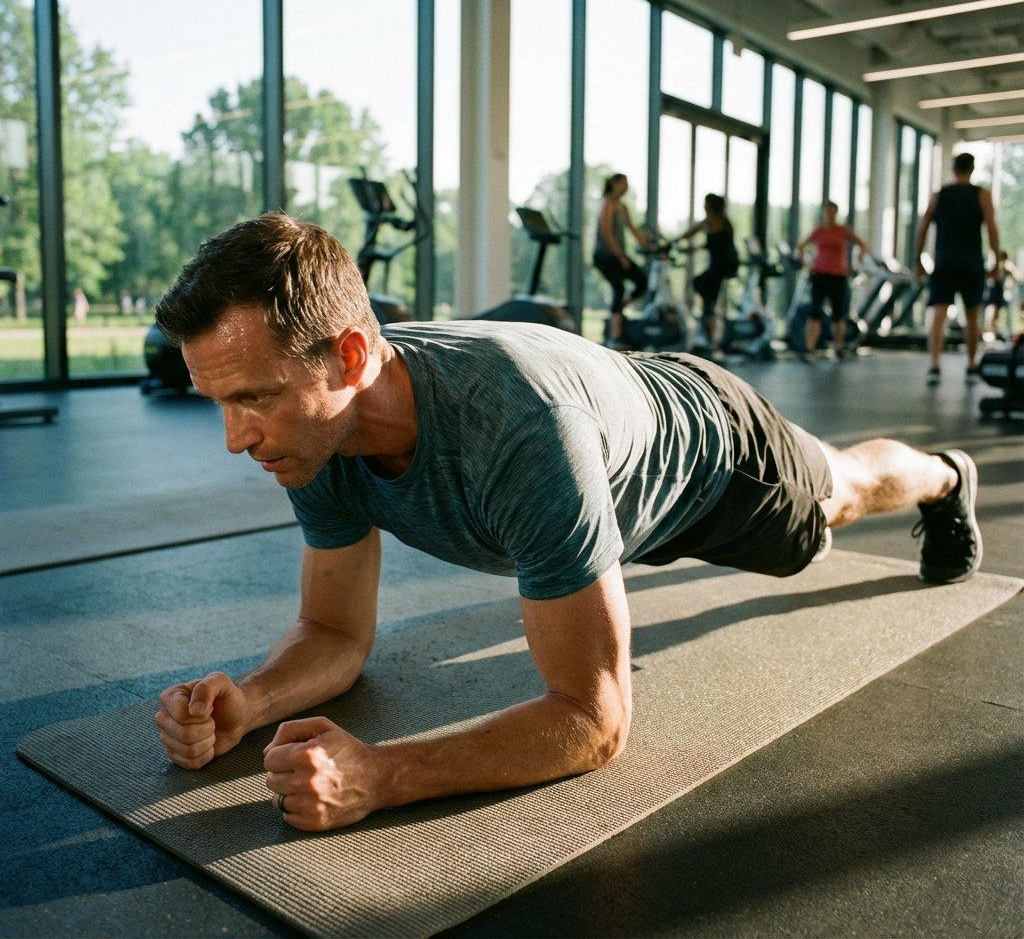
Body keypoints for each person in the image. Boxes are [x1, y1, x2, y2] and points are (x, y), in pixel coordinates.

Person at [153, 212, 983, 834]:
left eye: (252, 398)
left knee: (845, 488)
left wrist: (381, 775)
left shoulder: (517, 432)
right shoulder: (308, 433)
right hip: (606, 425)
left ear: (352, 359)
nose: (235, 439)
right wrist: (252, 699)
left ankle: (946, 479)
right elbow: (334, 629)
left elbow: (592, 720)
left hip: (715, 455)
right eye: (218, 402)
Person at [914, 152, 1002, 385]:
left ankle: (934, 366)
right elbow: (992, 229)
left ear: (953, 169)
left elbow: (922, 229)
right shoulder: (982, 195)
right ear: (972, 169)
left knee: (939, 314)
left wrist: (918, 260)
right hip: (971, 262)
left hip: (944, 262)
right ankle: (972, 365)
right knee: (973, 316)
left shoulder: (938, 195)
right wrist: (996, 261)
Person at [795, 200, 870, 361]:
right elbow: (800, 246)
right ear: (824, 212)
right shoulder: (819, 231)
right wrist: (806, 264)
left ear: (836, 213)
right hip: (820, 275)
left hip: (838, 276)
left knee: (838, 314)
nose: (829, 215)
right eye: (827, 212)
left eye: (832, 212)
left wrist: (857, 261)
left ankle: (838, 347)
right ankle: (810, 349)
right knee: (815, 313)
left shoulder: (843, 231)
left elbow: (862, 245)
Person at [593, 173, 655, 349]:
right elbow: (607, 233)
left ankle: (618, 310)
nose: (626, 187)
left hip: (619, 255)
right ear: (615, 184)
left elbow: (633, 229)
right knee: (618, 287)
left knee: (642, 282)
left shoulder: (622, 207)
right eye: (623, 183)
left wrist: (647, 245)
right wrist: (621, 256)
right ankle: (615, 336)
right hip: (604, 256)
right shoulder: (607, 204)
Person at [677, 194, 739, 348]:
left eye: (705, 204)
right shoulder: (719, 222)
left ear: (710, 206)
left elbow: (702, 235)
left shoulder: (714, 221)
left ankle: (712, 336)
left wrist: (682, 242)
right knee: (703, 289)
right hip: (718, 265)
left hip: (722, 265)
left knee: (704, 291)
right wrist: (687, 245)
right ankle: (711, 332)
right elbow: (708, 241)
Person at [984, 251, 1019, 341]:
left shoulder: (1007, 267)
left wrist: (1009, 286)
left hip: (999, 292)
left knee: (996, 313)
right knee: (993, 313)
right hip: (994, 291)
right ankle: (991, 330)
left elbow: (1015, 278)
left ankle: (995, 331)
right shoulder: (997, 265)